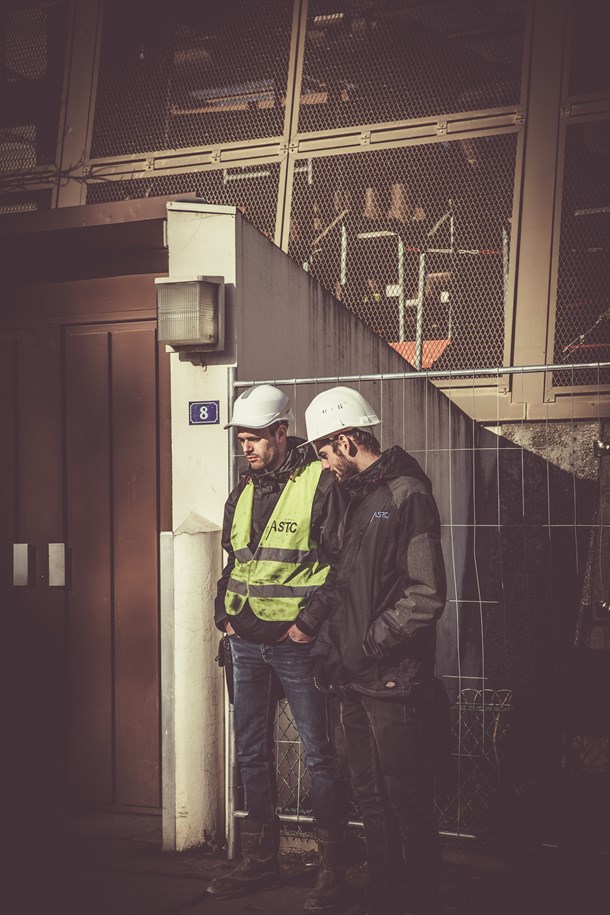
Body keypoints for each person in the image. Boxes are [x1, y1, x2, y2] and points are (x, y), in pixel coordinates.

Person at [299, 386, 447, 915]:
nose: (321, 461)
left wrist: (370, 643)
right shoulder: (354, 496)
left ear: (345, 439)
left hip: (391, 675)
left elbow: (426, 592)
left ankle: (421, 896)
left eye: (322, 450)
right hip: (351, 674)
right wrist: (321, 634)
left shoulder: (407, 494)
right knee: (369, 794)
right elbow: (341, 577)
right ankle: (384, 893)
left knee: (406, 796)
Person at [208, 384, 351, 914]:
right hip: (245, 643)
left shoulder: (320, 481)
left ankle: (332, 868)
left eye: (255, 439)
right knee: (250, 753)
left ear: (281, 433)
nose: (246, 447)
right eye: (241, 439)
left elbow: (340, 562)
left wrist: (307, 626)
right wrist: (223, 615)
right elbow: (235, 561)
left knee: (319, 756)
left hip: (296, 646)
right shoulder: (242, 490)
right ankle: (260, 859)